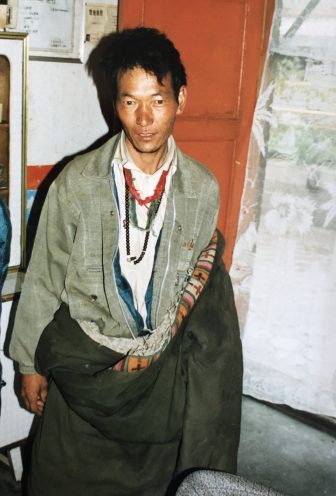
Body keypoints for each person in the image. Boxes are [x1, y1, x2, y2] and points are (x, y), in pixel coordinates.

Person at [9, 27, 243, 496]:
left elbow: (193, 296)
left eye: (157, 101)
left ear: (180, 98)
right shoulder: (78, 183)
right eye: (129, 101)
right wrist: (28, 362)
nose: (143, 119)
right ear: (114, 104)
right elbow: (44, 277)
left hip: (154, 386)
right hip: (85, 372)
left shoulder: (202, 190)